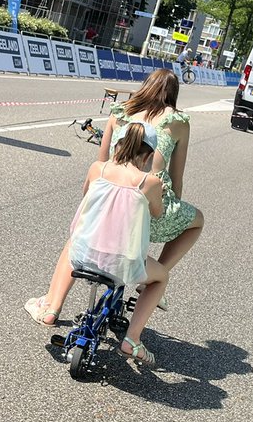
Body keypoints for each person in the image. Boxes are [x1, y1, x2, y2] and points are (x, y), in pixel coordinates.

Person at [26, 67, 203, 328]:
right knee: (198, 221)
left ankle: (52, 307)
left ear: (145, 85)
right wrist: (171, 207)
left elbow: (101, 163)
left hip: (109, 203)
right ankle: (155, 278)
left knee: (77, 240)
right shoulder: (178, 121)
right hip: (151, 206)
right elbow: (177, 177)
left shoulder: (120, 112)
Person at [27, 122, 170, 364]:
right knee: (162, 277)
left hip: (84, 255)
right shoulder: (150, 182)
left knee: (74, 240)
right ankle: (132, 339)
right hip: (122, 264)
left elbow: (87, 195)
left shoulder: (98, 169)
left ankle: (51, 307)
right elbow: (157, 213)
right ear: (148, 156)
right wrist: (159, 194)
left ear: (117, 146)